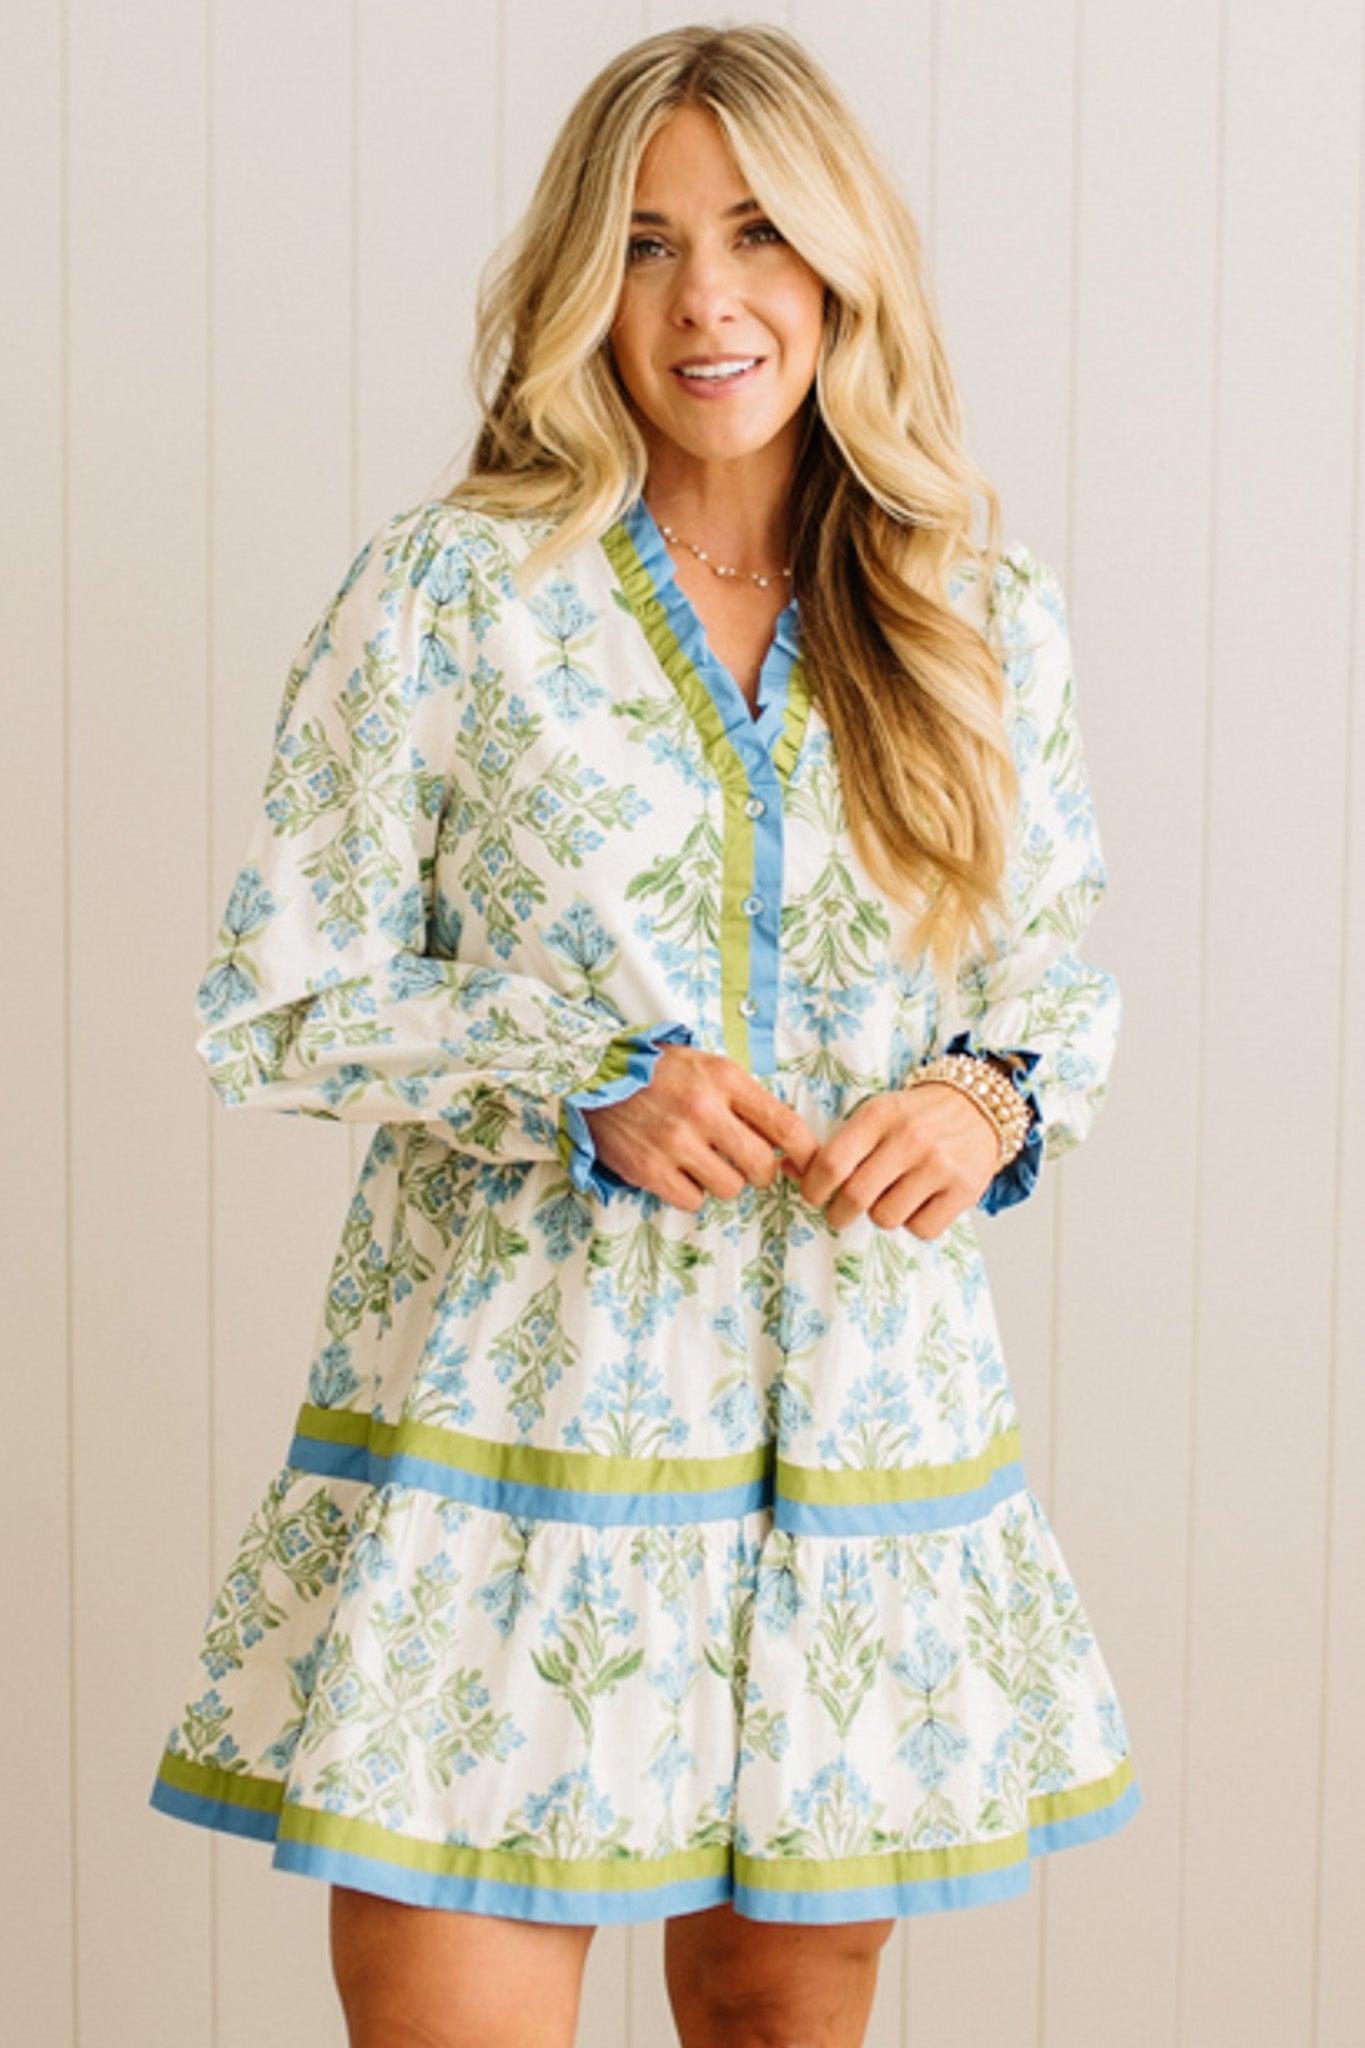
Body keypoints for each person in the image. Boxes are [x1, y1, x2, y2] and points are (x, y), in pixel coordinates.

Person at [147, 22, 1140, 2048]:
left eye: (761, 233)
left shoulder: (971, 604)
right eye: (648, 240)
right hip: (522, 1460)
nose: (707, 299)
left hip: (843, 1454)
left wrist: (977, 1097)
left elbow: (1047, 970)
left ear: (843, 263)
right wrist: (573, 1074)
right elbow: (274, 993)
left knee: (784, 2022)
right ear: (576, 282)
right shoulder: (448, 595)